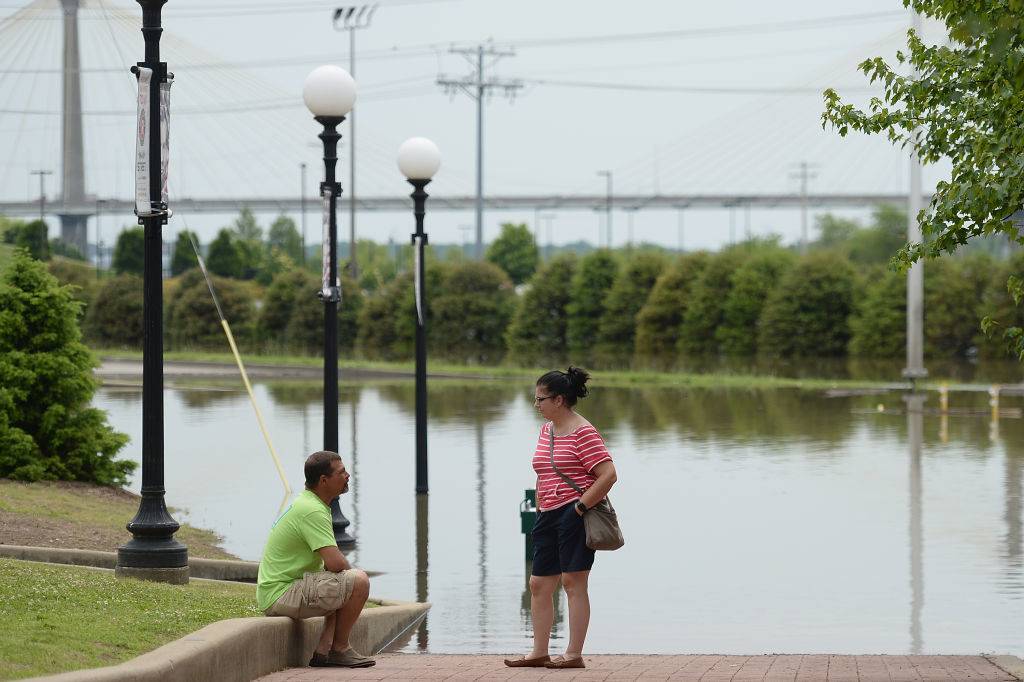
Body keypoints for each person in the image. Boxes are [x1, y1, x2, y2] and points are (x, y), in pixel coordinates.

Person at [504, 366, 618, 670]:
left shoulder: (584, 431)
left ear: (560, 400)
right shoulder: (546, 430)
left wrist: (579, 509)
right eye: (536, 399)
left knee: (573, 582)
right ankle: (538, 652)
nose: (537, 404)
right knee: (539, 583)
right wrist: (542, 505)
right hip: (547, 514)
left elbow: (608, 474)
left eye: (541, 399)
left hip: (575, 513)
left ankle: (572, 654)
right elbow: (543, 471)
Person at [257, 450, 375, 668]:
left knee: (338, 582)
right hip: (281, 593)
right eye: (341, 472)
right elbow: (336, 563)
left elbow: (333, 570)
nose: (348, 475)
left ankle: (324, 651)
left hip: (277, 590)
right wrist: (350, 579)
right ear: (323, 480)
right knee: (358, 582)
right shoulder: (312, 510)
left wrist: (341, 578)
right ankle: (339, 650)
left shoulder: (308, 503)